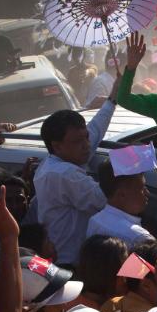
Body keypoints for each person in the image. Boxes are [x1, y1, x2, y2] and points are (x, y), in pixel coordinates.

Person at [31, 96, 117, 266]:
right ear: (57, 146)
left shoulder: (57, 162)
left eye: (86, 137)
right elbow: (109, 200)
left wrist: (112, 100)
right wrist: (131, 161)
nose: (86, 145)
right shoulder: (64, 173)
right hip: (70, 266)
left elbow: (96, 129)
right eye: (78, 141)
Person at [86, 160, 151, 247]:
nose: (147, 193)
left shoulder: (94, 221)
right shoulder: (139, 237)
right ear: (122, 194)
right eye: (142, 188)